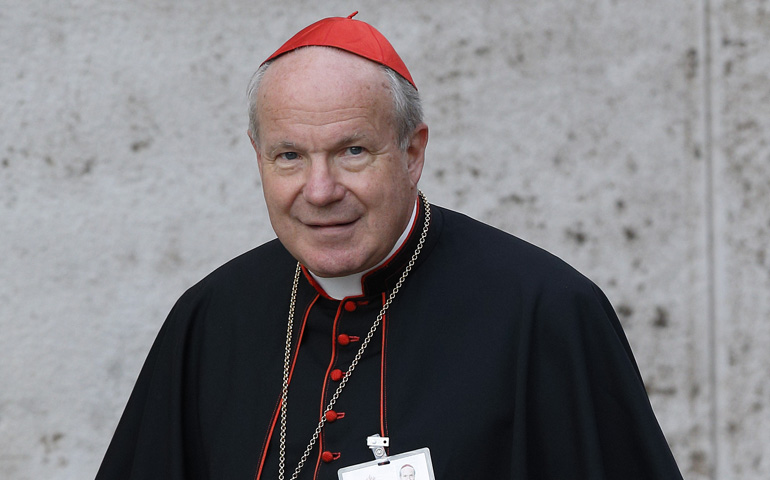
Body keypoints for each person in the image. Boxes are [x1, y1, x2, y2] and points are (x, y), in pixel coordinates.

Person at [96, 12, 683, 480]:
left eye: (353, 151)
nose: (320, 191)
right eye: (290, 156)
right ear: (258, 158)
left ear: (412, 153)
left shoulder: (547, 312)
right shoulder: (210, 317)